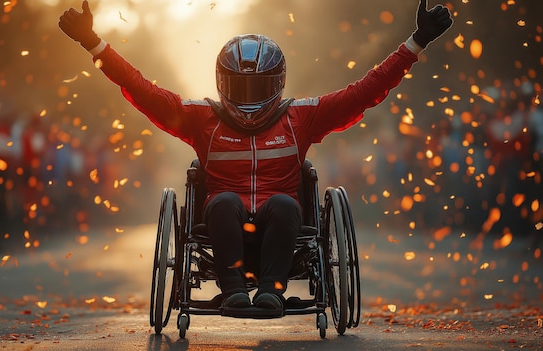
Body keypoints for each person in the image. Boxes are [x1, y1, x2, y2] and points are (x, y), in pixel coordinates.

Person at [59, 0, 452, 314]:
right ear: (221, 83)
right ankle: (233, 293)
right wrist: (94, 44)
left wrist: (416, 42)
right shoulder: (201, 117)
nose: (248, 99)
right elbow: (140, 89)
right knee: (225, 200)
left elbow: (367, 90)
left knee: (283, 202)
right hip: (222, 219)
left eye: (258, 87)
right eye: (239, 87)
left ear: (278, 83)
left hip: (280, 221)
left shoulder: (303, 116)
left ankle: (271, 292)